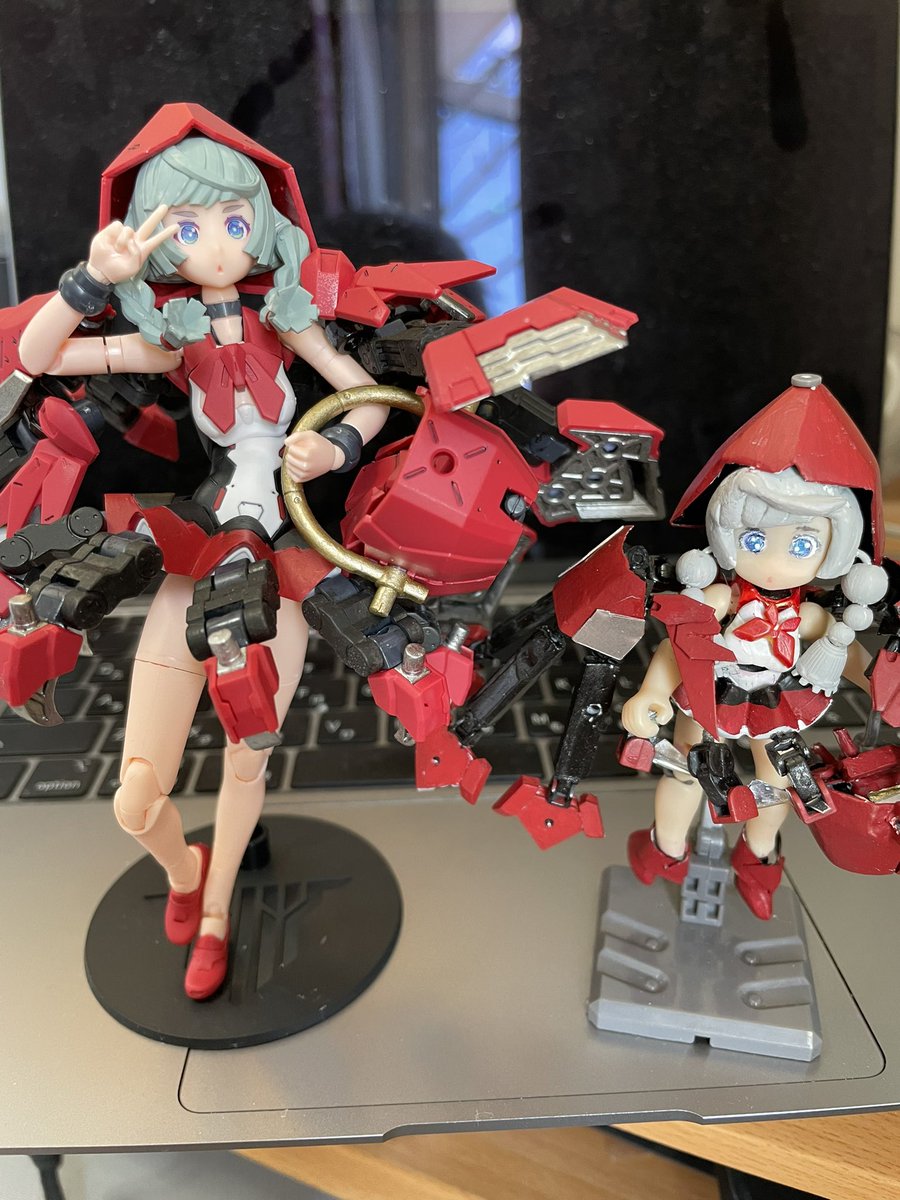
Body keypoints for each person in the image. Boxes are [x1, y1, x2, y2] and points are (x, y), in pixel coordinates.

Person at [16, 103, 390, 1000]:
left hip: (279, 565)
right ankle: (184, 874)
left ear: (263, 221)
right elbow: (38, 356)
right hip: (200, 547)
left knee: (246, 756)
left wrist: (336, 445)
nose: (217, 245)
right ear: (157, 242)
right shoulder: (170, 337)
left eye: (232, 219)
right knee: (135, 798)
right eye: (185, 228)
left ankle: (215, 914)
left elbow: (371, 396)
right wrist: (88, 281)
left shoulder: (287, 321)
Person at [621, 375, 886, 918]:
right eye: (755, 540)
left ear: (836, 551)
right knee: (687, 771)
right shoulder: (720, 598)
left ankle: (758, 856)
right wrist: (652, 692)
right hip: (711, 692)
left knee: (778, 784)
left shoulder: (812, 616)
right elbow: (680, 647)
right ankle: (667, 849)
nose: (774, 563)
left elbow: (854, 662)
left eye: (803, 545)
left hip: (776, 702)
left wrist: (881, 687)